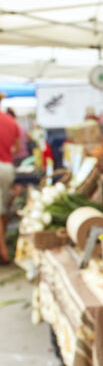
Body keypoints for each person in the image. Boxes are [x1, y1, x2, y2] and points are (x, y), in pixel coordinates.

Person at [0, 94, 21, 263]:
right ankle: (4, 248)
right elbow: (18, 148)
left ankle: (3, 252)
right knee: (4, 209)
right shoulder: (10, 121)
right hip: (6, 167)